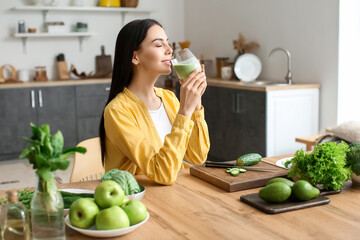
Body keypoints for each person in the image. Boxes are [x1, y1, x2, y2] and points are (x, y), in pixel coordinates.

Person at [99, 19, 210, 185]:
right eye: (159, 45)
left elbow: (197, 156)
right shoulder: (117, 111)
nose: (170, 50)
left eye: (167, 43)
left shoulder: (169, 98)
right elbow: (162, 173)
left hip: (174, 194)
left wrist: (195, 104)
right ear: (135, 57)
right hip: (138, 201)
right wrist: (184, 113)